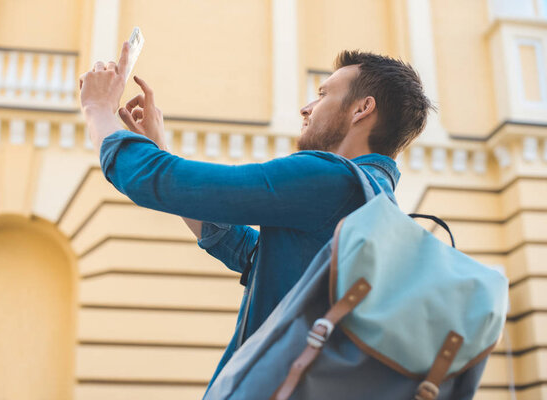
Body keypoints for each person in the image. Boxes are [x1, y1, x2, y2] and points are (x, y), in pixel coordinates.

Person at [79, 42, 434, 391]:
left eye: (323, 94)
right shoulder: (377, 205)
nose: (306, 108)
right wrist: (161, 151)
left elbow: (159, 181)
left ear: (362, 109)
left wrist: (98, 111)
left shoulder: (329, 180)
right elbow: (254, 255)